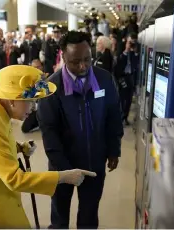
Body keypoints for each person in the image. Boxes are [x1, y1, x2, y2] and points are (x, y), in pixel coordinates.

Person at [0, 65, 96, 228]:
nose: (33, 108)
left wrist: (17, 147)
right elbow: (15, 179)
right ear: (12, 100)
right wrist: (64, 177)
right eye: (30, 101)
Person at [37, 31, 124, 229]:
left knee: (89, 216)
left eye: (87, 59)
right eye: (75, 61)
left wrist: (113, 149)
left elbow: (113, 116)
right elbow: (49, 131)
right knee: (59, 218)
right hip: (62, 166)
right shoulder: (50, 87)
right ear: (63, 57)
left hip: (94, 162)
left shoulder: (104, 80)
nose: (83, 66)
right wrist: (64, 169)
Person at [114, 32, 139, 125]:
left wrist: (135, 52)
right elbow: (118, 64)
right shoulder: (121, 48)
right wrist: (126, 50)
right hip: (122, 77)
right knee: (122, 98)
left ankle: (125, 117)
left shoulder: (134, 51)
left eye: (133, 42)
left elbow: (136, 64)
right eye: (130, 42)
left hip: (130, 77)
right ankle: (120, 117)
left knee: (128, 99)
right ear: (126, 40)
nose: (131, 44)